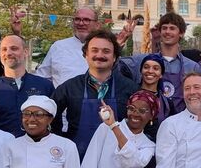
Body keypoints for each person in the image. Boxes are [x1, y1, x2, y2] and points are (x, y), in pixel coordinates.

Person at [50, 30, 139, 158]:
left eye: (106, 51)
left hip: (117, 162)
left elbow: (142, 121)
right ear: (85, 54)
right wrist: (63, 140)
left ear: (114, 57)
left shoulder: (130, 88)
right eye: (94, 50)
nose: (100, 55)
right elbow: (50, 115)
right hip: (78, 160)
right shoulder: (70, 87)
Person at [120, 12, 201, 115]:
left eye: (172, 28)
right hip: (147, 122)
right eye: (164, 28)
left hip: (178, 125)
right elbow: (114, 64)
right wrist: (120, 41)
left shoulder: (192, 67)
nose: (167, 31)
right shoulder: (142, 60)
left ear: (181, 33)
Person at [0, 35, 54, 137]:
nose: (8, 53)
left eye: (14, 48)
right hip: (2, 149)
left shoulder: (44, 86)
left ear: (26, 52)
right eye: (4, 49)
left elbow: (55, 122)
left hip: (37, 147)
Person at [36, 7, 101, 88]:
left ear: (97, 25)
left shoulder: (103, 49)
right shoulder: (58, 46)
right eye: (77, 19)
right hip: (60, 99)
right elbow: (41, 77)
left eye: (86, 20)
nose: (81, 23)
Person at [136, 53, 173, 124]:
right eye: (146, 67)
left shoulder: (166, 103)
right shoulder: (130, 93)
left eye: (155, 68)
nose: (150, 71)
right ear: (141, 71)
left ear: (161, 74)